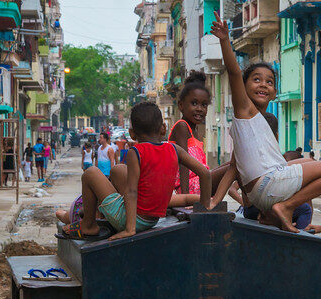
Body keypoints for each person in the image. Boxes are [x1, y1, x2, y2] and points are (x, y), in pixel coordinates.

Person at [209, 17, 321, 231]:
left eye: (269, 82)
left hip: (262, 192)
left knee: (304, 162)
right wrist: (225, 41)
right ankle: (287, 207)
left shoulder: (257, 124)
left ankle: (275, 212)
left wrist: (215, 200)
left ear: (274, 94)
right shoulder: (245, 110)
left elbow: (234, 167)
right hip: (269, 184)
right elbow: (234, 72)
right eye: (256, 79)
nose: (263, 84)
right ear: (242, 88)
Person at [57, 101, 211, 239]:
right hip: (152, 219)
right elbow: (205, 173)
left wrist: (129, 229)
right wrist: (205, 205)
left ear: (132, 133)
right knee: (117, 170)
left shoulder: (135, 152)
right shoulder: (174, 149)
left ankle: (89, 225)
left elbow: (132, 191)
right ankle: (101, 215)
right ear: (163, 129)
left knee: (90, 173)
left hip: (132, 221)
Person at [168, 71, 211, 208]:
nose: (199, 109)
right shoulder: (182, 126)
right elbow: (183, 164)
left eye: (204, 105)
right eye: (194, 103)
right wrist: (184, 198)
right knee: (231, 168)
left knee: (232, 166)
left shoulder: (195, 130)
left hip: (200, 182)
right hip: (189, 188)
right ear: (181, 105)